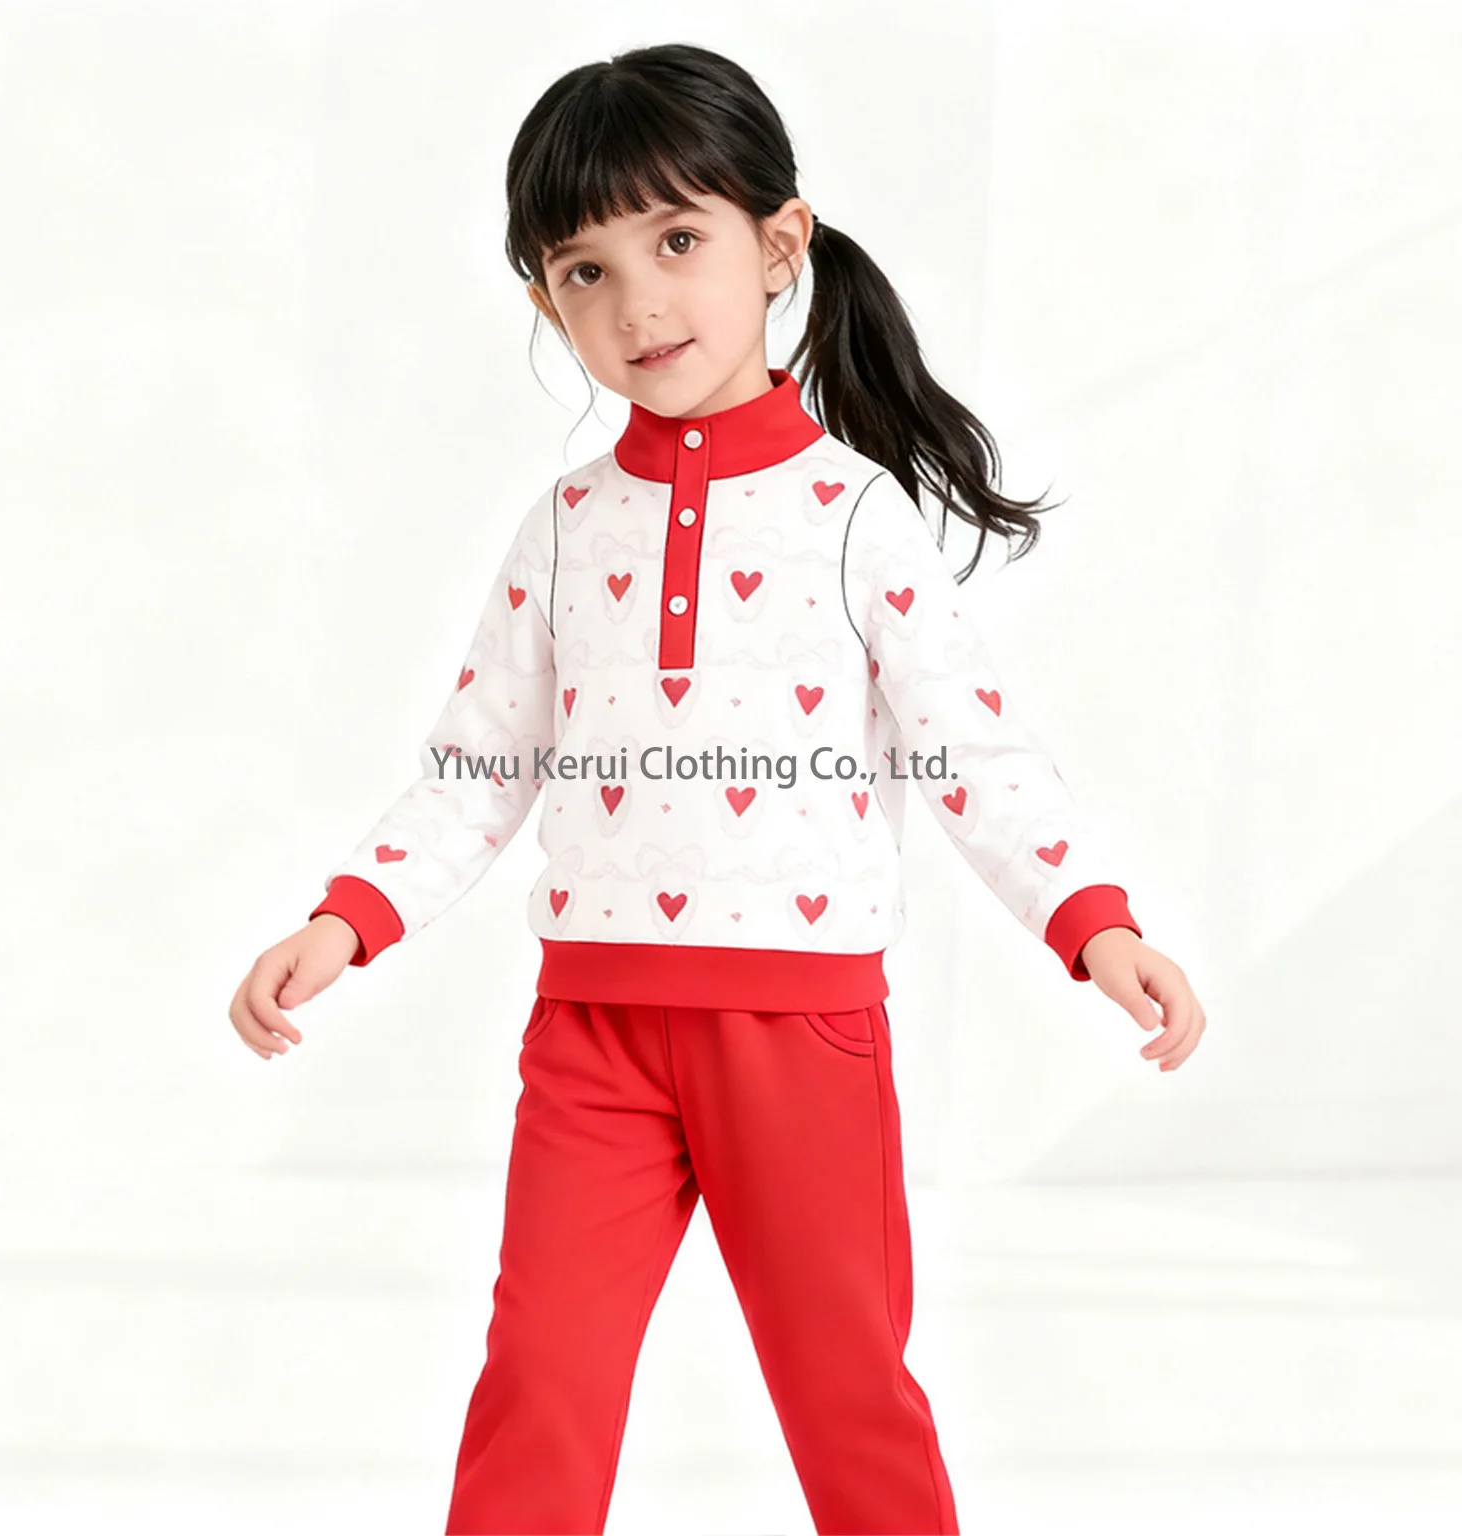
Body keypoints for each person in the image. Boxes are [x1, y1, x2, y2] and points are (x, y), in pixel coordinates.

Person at [229, 41, 1206, 1536]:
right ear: (546, 301)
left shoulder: (853, 515)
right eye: (585, 271)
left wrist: (1095, 923)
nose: (638, 305)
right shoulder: (566, 525)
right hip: (594, 1035)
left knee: (844, 1389)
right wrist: (348, 919)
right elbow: (479, 764)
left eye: (678, 241)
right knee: (540, 1381)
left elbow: (973, 752)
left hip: (798, 1033)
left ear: (780, 244)